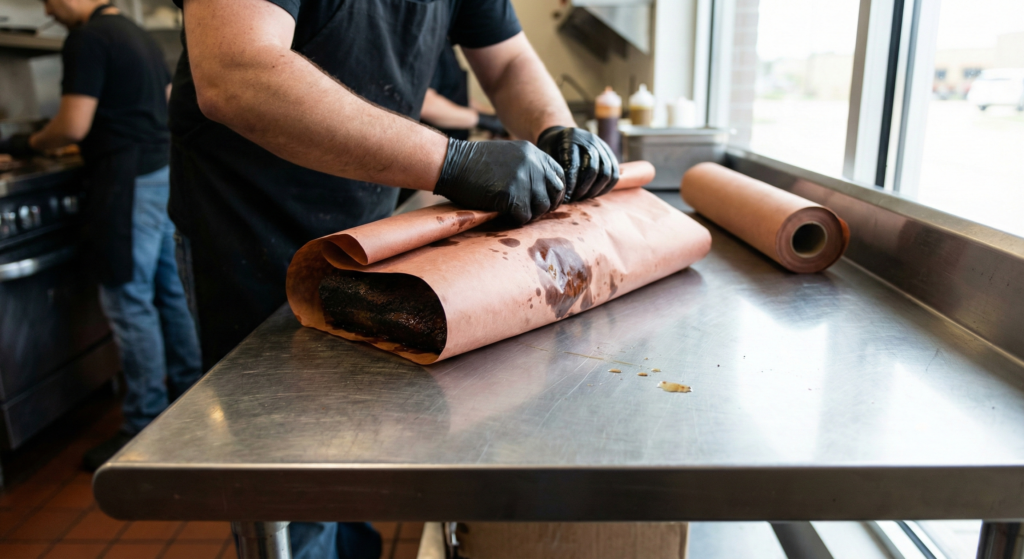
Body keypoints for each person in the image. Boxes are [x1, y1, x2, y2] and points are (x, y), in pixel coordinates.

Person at [168, 0, 619, 555]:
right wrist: (453, 161)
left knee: (351, 446)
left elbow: (505, 62)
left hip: (364, 229)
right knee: (294, 485)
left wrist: (556, 130)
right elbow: (236, 71)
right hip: (245, 228)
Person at [0, 0, 202, 470]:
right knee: (169, 293)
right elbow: (171, 100)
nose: (50, 12)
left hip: (127, 179)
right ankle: (191, 402)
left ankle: (143, 423)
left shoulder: (88, 39)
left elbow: (73, 124)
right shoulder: (138, 35)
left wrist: (23, 144)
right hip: (159, 172)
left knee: (129, 300)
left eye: (50, 1)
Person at [421, 40, 507, 140]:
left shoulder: (445, 43)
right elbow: (424, 103)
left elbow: (454, 96)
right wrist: (481, 120)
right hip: (429, 144)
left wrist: (499, 120)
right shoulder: (428, 43)